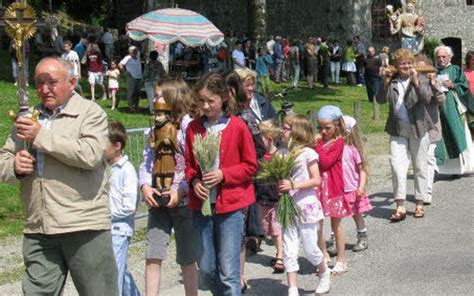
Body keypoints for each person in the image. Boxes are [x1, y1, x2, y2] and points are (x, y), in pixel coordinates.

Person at [0, 57, 117, 294]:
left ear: (72, 82)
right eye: (39, 83)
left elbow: (91, 154)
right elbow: (3, 159)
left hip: (84, 226)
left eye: (51, 82)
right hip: (39, 227)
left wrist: (41, 136)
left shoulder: (90, 113)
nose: (44, 89)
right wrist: (15, 166)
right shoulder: (28, 117)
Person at [185, 73, 258, 295]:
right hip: (202, 206)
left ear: (224, 98)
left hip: (231, 206)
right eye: (202, 101)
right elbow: (188, 164)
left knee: (229, 271)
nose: (206, 106)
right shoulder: (194, 128)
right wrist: (194, 180)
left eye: (211, 101)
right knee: (206, 269)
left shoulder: (237, 126)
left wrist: (224, 175)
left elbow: (250, 165)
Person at [139, 77, 198, 296]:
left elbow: (193, 164)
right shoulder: (154, 128)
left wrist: (181, 189)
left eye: (159, 95)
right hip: (157, 198)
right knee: (153, 254)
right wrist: (145, 185)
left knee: (187, 256)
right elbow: (146, 161)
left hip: (182, 201)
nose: (155, 99)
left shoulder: (187, 129)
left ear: (174, 97)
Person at [376, 48, 434, 221]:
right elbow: (380, 100)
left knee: (419, 166)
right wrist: (385, 83)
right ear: (396, 65)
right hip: (397, 128)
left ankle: (419, 202)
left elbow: (427, 99)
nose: (406, 66)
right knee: (397, 166)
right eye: (402, 63)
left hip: (418, 127)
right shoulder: (392, 80)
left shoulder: (421, 77)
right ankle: (400, 205)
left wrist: (416, 82)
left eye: (409, 63)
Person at [279, 114, 331, 296]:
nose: (282, 132)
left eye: (285, 129)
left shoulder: (308, 154)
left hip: (305, 205)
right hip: (288, 207)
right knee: (289, 249)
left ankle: (324, 273)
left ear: (296, 132)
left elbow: (316, 180)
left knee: (310, 248)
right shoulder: (282, 154)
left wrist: (294, 185)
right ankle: (292, 288)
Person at [324, 115, 373, 257]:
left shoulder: (352, 150)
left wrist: (361, 186)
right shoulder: (332, 148)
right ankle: (334, 240)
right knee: (335, 215)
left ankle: (362, 236)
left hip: (352, 188)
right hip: (337, 188)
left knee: (356, 213)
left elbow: (361, 169)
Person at [105, 121, 141, 296]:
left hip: (119, 230)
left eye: (103, 143)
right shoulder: (107, 168)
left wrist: (104, 213)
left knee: (114, 274)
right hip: (107, 228)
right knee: (120, 270)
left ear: (117, 146)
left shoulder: (127, 171)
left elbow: (128, 207)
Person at [314, 106, 348, 275]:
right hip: (319, 188)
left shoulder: (339, 142)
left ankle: (341, 259)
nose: (323, 131)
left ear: (337, 125)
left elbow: (326, 162)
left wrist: (318, 144)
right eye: (320, 128)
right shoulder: (319, 142)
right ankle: (324, 254)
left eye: (327, 128)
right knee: (318, 223)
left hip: (333, 188)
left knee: (337, 224)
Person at [434, 46, 474, 175]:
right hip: (436, 109)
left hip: (452, 109)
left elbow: (464, 87)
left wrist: (453, 85)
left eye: (444, 56)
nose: (441, 59)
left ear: (449, 57)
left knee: (457, 134)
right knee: (440, 139)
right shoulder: (432, 71)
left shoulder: (455, 70)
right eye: (438, 57)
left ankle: (461, 167)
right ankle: (443, 169)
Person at [257, 120, 284, 273]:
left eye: (261, 136)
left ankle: (281, 255)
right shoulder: (261, 157)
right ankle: (279, 250)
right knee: (269, 228)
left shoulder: (279, 156)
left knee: (277, 227)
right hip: (263, 198)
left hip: (276, 199)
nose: (259, 139)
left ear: (270, 139)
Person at [120, 46, 143, 113]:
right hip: (131, 77)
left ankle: (136, 106)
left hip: (139, 77)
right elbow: (120, 65)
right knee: (131, 92)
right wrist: (125, 72)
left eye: (135, 51)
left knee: (137, 93)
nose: (134, 52)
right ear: (130, 52)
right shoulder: (127, 58)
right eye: (133, 51)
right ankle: (130, 106)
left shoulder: (138, 56)